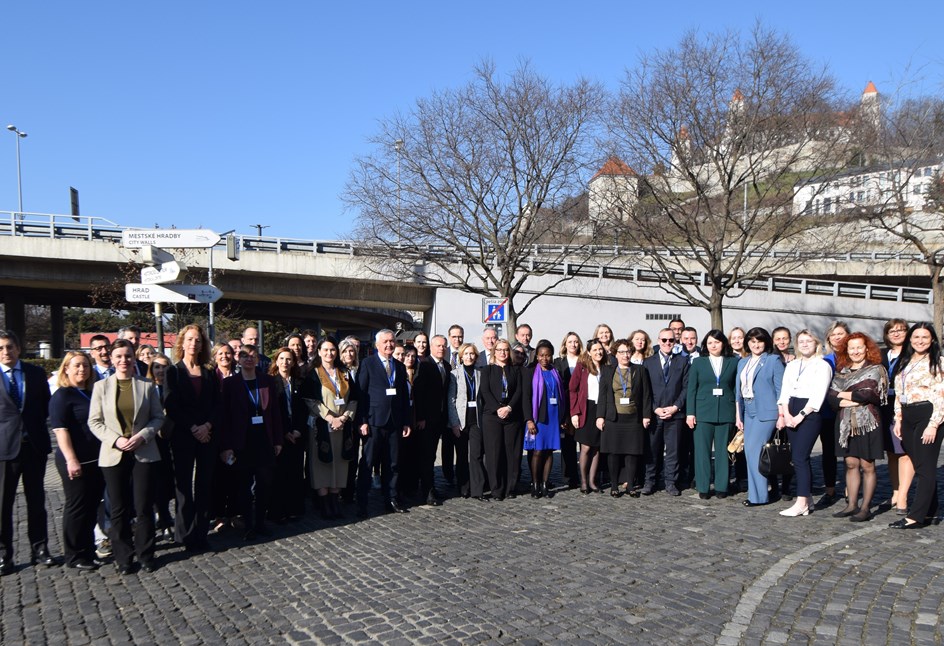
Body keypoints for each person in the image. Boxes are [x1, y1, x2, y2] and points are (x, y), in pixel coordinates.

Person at [88, 338, 164, 574]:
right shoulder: (101, 387)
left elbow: (158, 417)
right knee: (118, 508)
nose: (124, 360)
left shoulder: (146, 385)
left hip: (143, 451)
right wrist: (115, 439)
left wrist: (143, 436)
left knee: (143, 507)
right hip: (114, 453)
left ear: (134, 358)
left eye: (128, 356)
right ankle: (124, 557)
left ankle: (146, 554)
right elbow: (94, 421)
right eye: (119, 356)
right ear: (112, 359)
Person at [0, 330, 55, 575]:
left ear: (18, 348)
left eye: (9, 347)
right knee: (3, 505)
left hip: (33, 447)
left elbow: (44, 407)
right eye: (1, 348)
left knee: (37, 501)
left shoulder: (35, 373)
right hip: (4, 450)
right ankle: (4, 555)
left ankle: (40, 549)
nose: (6, 352)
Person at [164, 324, 218, 553]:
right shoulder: (173, 372)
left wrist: (207, 426)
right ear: (182, 343)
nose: (194, 343)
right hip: (183, 435)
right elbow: (171, 405)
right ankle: (185, 534)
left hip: (207, 435)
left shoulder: (209, 371)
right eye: (189, 339)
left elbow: (217, 403)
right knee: (184, 487)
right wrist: (194, 427)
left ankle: (201, 533)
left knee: (204, 485)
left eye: (198, 340)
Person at [220, 345, 283, 540]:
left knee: (265, 484)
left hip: (264, 439)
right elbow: (225, 417)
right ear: (238, 359)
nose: (248, 359)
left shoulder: (267, 381)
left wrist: (278, 440)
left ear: (257, 359)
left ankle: (260, 523)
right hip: (241, 441)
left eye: (253, 356)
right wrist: (226, 446)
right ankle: (248, 524)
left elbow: (275, 412)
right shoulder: (230, 384)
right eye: (244, 356)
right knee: (243, 486)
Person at [50, 351, 103, 570]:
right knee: (77, 506)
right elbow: (60, 430)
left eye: (86, 366)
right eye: (77, 366)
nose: (82, 369)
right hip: (74, 460)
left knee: (91, 506)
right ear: (66, 369)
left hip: (96, 460)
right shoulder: (62, 396)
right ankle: (74, 555)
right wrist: (72, 460)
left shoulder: (91, 392)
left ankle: (88, 550)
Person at [827, 333, 887, 522]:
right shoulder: (841, 371)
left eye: (859, 347)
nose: (855, 351)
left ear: (866, 348)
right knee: (851, 463)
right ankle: (851, 505)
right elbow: (831, 397)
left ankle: (866, 508)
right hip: (845, 423)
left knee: (867, 465)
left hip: (868, 423)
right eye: (851, 348)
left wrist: (842, 395)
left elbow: (868, 395)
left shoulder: (875, 369)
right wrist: (850, 398)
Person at [889, 323, 944, 530]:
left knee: (925, 467)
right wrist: (898, 419)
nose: (920, 341)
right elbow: (899, 391)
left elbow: (942, 395)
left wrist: (933, 424)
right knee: (919, 463)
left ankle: (916, 516)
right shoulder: (905, 361)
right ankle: (931, 510)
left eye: (925, 337)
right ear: (910, 339)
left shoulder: (938, 362)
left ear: (932, 340)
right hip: (907, 415)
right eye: (916, 337)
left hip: (928, 414)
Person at [356, 329, 412, 516]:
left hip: (395, 422)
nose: (389, 344)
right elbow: (361, 394)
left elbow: (404, 397)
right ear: (377, 345)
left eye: (392, 341)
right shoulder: (368, 363)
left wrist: (406, 421)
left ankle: (391, 499)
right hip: (373, 422)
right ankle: (362, 502)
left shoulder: (400, 366)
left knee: (393, 463)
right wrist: (362, 420)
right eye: (385, 341)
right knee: (368, 462)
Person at [777, 330, 832, 517]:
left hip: (809, 413)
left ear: (816, 343)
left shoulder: (822, 365)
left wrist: (800, 415)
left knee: (800, 457)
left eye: (809, 341)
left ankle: (801, 502)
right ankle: (807, 498)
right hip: (790, 410)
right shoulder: (792, 365)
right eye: (801, 341)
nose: (805, 344)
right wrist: (786, 414)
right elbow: (785, 391)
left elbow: (818, 396)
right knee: (796, 457)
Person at [304, 337, 358, 519]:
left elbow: (354, 399)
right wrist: (330, 418)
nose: (329, 353)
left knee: (339, 463)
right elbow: (311, 400)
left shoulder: (344, 373)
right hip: (321, 426)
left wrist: (343, 418)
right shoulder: (313, 374)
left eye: (332, 349)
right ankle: (325, 504)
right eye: (325, 350)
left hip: (341, 426)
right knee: (321, 464)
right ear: (319, 352)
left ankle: (335, 501)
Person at [685, 330, 738, 500]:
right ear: (705, 345)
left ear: (723, 343)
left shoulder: (733, 362)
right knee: (702, 451)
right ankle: (703, 486)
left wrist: (738, 414)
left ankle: (722, 486)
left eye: (717, 342)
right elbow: (691, 389)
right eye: (710, 343)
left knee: (723, 451)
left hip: (726, 411)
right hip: (702, 412)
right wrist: (690, 413)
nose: (713, 345)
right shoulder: (698, 362)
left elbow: (736, 388)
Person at [735, 327, 785, 507]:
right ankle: (758, 492)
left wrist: (781, 415)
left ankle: (759, 497)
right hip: (748, 410)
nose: (756, 345)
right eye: (752, 341)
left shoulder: (773, 361)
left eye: (759, 341)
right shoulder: (743, 362)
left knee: (754, 451)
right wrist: (738, 415)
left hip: (767, 411)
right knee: (750, 452)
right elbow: (738, 391)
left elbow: (781, 390)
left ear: (766, 342)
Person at [596, 338, 652, 497]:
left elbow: (646, 395)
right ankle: (614, 485)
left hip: (634, 418)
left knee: (632, 453)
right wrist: (600, 416)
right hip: (613, 418)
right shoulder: (607, 370)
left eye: (628, 352)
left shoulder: (640, 370)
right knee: (613, 452)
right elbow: (602, 395)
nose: (625, 355)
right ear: (615, 354)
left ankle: (630, 485)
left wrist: (646, 415)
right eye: (621, 352)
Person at [642, 328, 690, 495]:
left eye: (671, 340)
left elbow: (686, 388)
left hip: (675, 415)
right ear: (658, 341)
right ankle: (650, 481)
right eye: (664, 340)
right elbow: (645, 390)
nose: (667, 343)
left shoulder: (683, 361)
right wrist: (655, 408)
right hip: (655, 414)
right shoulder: (648, 362)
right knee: (652, 450)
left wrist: (676, 407)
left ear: (675, 342)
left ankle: (671, 482)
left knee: (673, 452)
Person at [478, 339, 525, 501]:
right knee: (494, 453)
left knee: (512, 453)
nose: (502, 353)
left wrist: (509, 408)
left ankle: (510, 488)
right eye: (499, 350)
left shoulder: (515, 370)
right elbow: (485, 391)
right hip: (492, 416)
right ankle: (496, 489)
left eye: (505, 350)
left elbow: (519, 391)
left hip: (512, 416)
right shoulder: (487, 370)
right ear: (494, 352)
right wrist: (497, 408)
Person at [814, 320, 850, 511]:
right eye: (833, 334)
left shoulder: (854, 357)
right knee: (829, 452)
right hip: (828, 412)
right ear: (828, 338)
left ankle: (850, 490)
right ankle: (830, 490)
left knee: (850, 454)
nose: (837, 337)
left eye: (840, 334)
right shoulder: (825, 360)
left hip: (849, 411)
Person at [268, 347, 307, 522]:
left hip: (297, 434)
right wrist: (284, 432)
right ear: (276, 361)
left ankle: (294, 508)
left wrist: (298, 430)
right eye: (282, 359)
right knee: (279, 474)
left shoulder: (299, 382)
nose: (285, 362)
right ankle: (278, 511)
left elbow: (304, 409)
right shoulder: (271, 382)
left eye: (289, 359)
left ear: (293, 362)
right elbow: (271, 411)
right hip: (279, 434)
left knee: (295, 472)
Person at [524, 340, 566, 498]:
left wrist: (563, 417)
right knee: (538, 451)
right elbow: (526, 398)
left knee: (549, 451)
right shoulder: (530, 372)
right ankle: (535, 484)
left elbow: (562, 395)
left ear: (552, 356)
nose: (544, 358)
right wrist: (529, 420)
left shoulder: (556, 372)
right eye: (541, 355)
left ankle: (544, 484)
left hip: (554, 417)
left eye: (547, 355)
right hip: (538, 417)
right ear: (536, 356)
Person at [412, 335, 450, 506]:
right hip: (426, 420)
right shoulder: (424, 364)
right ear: (431, 347)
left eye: (443, 346)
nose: (441, 348)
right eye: (438, 345)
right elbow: (419, 393)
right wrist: (421, 417)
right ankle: (427, 491)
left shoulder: (447, 366)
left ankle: (431, 486)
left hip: (441, 418)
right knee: (427, 456)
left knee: (433, 454)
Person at [881, 319, 912, 515]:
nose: (896, 333)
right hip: (884, 407)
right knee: (891, 452)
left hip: (905, 407)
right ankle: (895, 491)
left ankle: (904, 496)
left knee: (904, 452)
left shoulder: (912, 353)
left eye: (900, 330)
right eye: (892, 331)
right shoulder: (881, 354)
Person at [571, 339, 606, 494]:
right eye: (595, 350)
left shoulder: (606, 367)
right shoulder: (582, 367)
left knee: (597, 447)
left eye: (600, 349)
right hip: (585, 409)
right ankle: (584, 481)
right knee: (586, 447)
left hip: (601, 410)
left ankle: (592, 481)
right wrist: (574, 412)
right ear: (589, 352)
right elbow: (572, 389)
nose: (598, 352)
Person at [447, 343, 482, 499]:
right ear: (461, 356)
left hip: (476, 420)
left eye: (472, 353)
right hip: (461, 420)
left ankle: (477, 489)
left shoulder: (480, 373)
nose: (469, 356)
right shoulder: (454, 374)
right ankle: (463, 486)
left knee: (476, 455)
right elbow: (451, 400)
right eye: (466, 354)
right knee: (461, 456)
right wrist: (454, 423)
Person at [147, 354, 175, 541]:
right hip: (152, 442)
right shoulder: (147, 388)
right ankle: (162, 519)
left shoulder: (174, 387)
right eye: (157, 367)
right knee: (156, 485)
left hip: (172, 440)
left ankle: (169, 519)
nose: (161, 370)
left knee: (169, 483)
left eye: (165, 367)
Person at [553, 332, 583, 489]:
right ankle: (569, 477)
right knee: (568, 444)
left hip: (582, 405)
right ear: (565, 344)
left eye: (576, 341)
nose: (573, 344)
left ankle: (585, 475)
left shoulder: (585, 361)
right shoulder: (558, 362)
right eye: (570, 341)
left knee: (584, 443)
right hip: (565, 405)